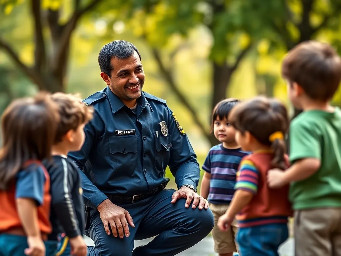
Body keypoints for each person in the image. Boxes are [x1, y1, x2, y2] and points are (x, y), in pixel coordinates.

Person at [68, 40, 214, 256]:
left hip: (154, 204)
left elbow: (185, 159)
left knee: (200, 217)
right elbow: (70, 165)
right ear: (106, 78)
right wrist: (103, 204)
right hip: (108, 206)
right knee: (115, 254)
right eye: (124, 73)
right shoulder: (90, 114)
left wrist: (187, 187)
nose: (135, 79)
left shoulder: (161, 111)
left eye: (138, 69)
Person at [267, 41, 341, 255]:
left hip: (314, 209)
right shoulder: (337, 118)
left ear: (296, 88)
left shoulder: (303, 123)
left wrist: (283, 177)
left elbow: (310, 163)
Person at [217, 96, 292, 256]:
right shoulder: (283, 159)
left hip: (256, 226)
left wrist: (229, 215)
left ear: (248, 136)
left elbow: (245, 191)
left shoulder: (251, 162)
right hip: (280, 224)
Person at [0, 93, 59, 256]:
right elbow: (24, 200)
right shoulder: (31, 169)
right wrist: (33, 237)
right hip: (23, 241)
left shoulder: (5, 164)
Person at [43, 93, 93, 256]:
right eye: (82, 128)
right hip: (61, 241)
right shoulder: (62, 166)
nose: (84, 134)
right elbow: (60, 198)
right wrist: (75, 236)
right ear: (70, 134)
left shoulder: (41, 162)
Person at [200, 98, 248, 256]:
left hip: (240, 209)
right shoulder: (214, 152)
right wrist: (203, 199)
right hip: (215, 208)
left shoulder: (247, 154)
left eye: (228, 124)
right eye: (217, 123)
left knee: (244, 247)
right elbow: (207, 177)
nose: (221, 128)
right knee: (222, 247)